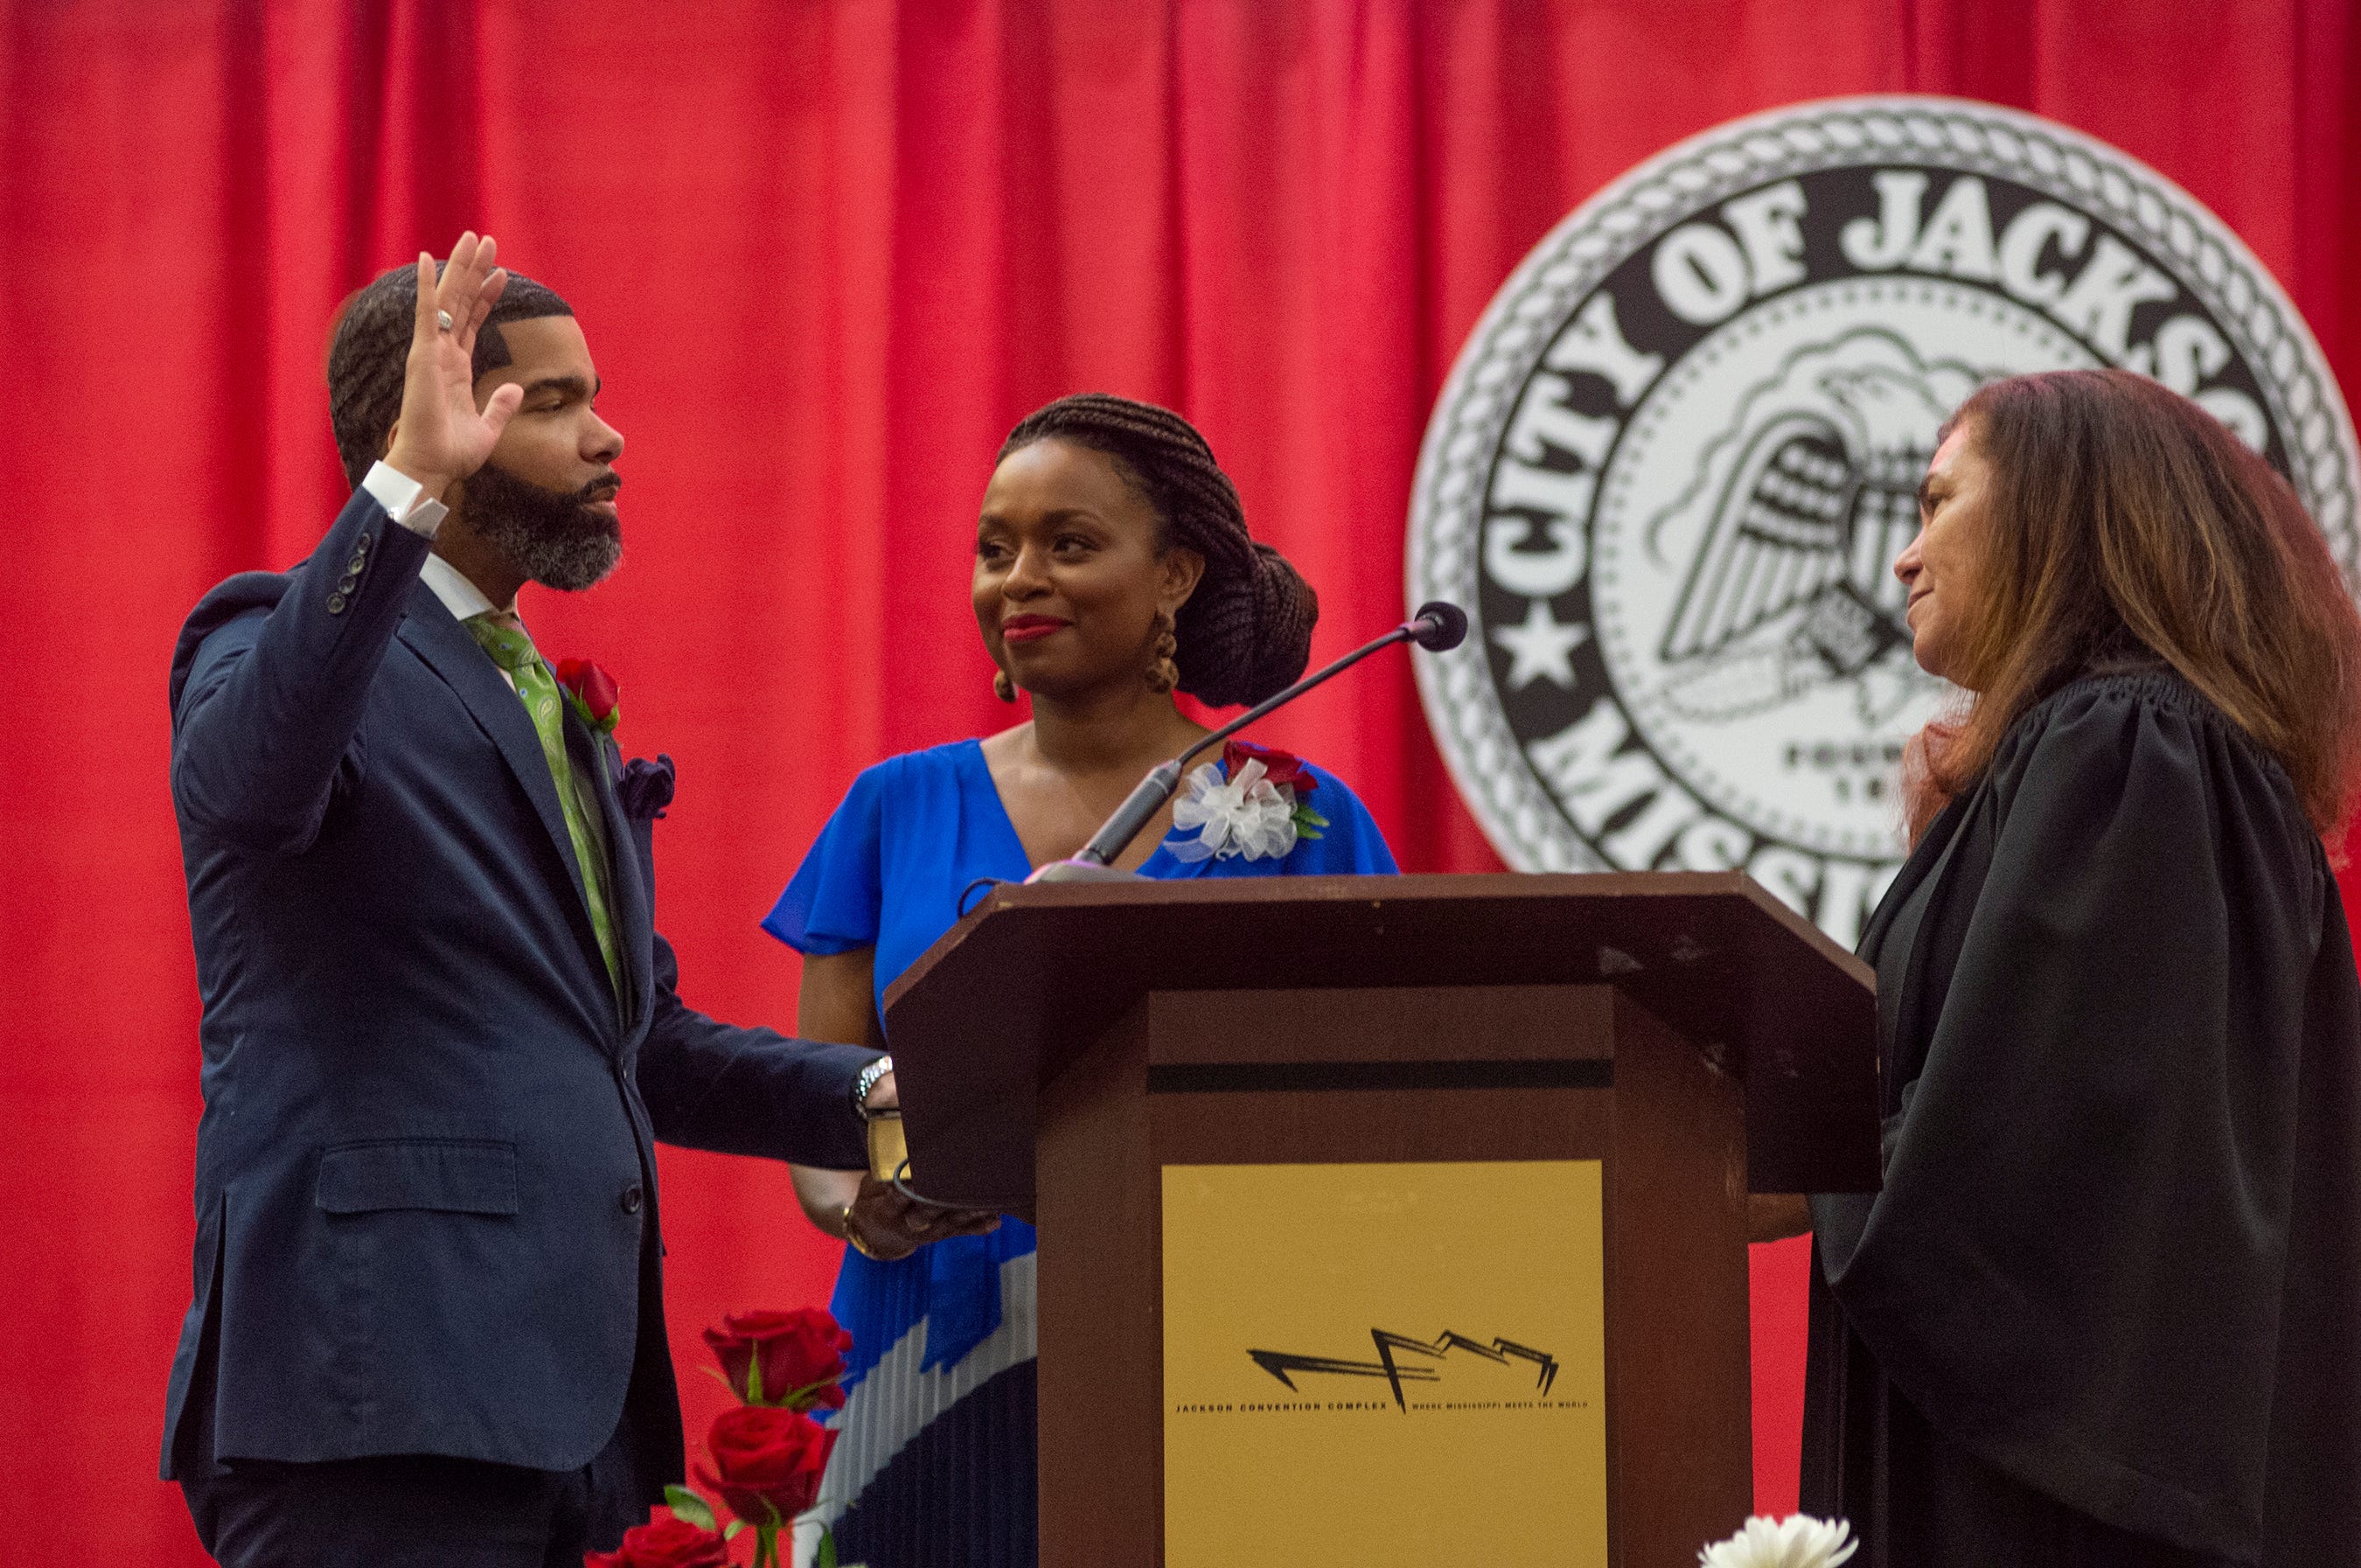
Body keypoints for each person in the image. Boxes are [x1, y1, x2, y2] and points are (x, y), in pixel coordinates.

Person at [163, 234, 962, 1565]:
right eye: (554, 402)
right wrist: (406, 486)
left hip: (554, 1418)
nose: (610, 436)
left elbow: (631, 1042)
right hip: (373, 1405)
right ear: (421, 424)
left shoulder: (540, 697)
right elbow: (248, 787)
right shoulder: (263, 637)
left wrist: (877, 1093)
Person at [763, 393, 1400, 1567]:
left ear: (1174, 576)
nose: (1020, 580)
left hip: (1229, 1343)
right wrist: (861, 1204)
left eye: (1069, 543)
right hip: (931, 1343)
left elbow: (1390, 1105)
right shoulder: (893, 806)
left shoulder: (1307, 815)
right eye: (994, 549)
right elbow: (822, 1100)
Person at [1759, 369, 2361, 1565]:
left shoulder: (2135, 748)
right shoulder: (2102, 754)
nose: (1903, 558)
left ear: (2061, 514)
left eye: (1937, 505)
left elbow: (2029, 1155)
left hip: (2057, 1515)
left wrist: (1758, 1163)